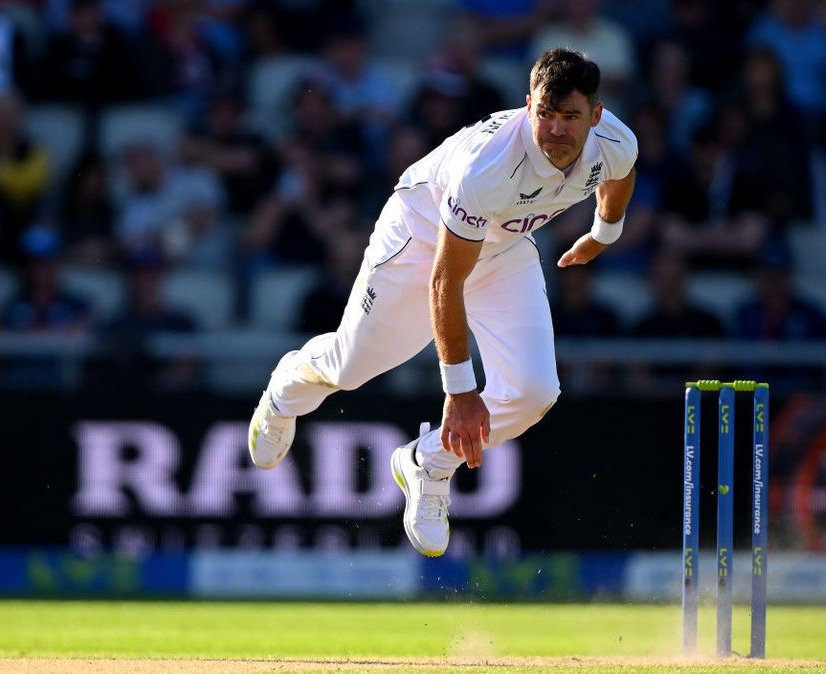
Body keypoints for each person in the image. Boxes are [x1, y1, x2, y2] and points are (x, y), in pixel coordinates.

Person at [248, 48, 637, 557]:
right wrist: (459, 392)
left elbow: (619, 178)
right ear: (528, 106)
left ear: (596, 117)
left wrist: (603, 233)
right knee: (349, 368)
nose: (557, 131)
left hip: (504, 247)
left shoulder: (615, 142)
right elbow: (445, 282)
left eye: (571, 118)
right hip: (423, 239)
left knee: (535, 391)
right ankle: (286, 390)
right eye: (545, 114)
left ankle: (428, 463)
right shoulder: (489, 168)